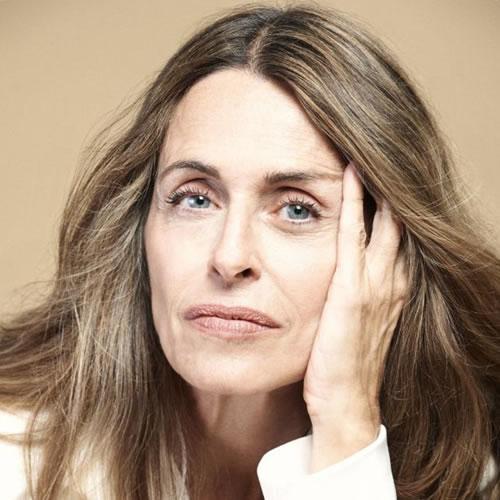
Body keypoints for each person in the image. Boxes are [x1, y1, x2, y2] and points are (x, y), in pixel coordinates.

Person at [1, 3, 499, 499]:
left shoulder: (467, 467)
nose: (229, 257)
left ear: (389, 253)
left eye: (297, 209)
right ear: (140, 224)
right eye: (196, 199)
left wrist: (347, 428)